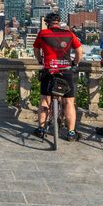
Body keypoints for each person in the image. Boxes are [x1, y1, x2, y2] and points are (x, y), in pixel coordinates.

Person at [32, 13, 83, 142]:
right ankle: (71, 133)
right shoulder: (69, 34)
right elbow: (79, 51)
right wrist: (75, 63)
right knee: (69, 102)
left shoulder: (43, 34)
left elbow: (36, 49)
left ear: (47, 23)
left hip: (49, 70)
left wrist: (40, 61)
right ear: (59, 23)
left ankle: (41, 129)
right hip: (65, 70)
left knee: (45, 100)